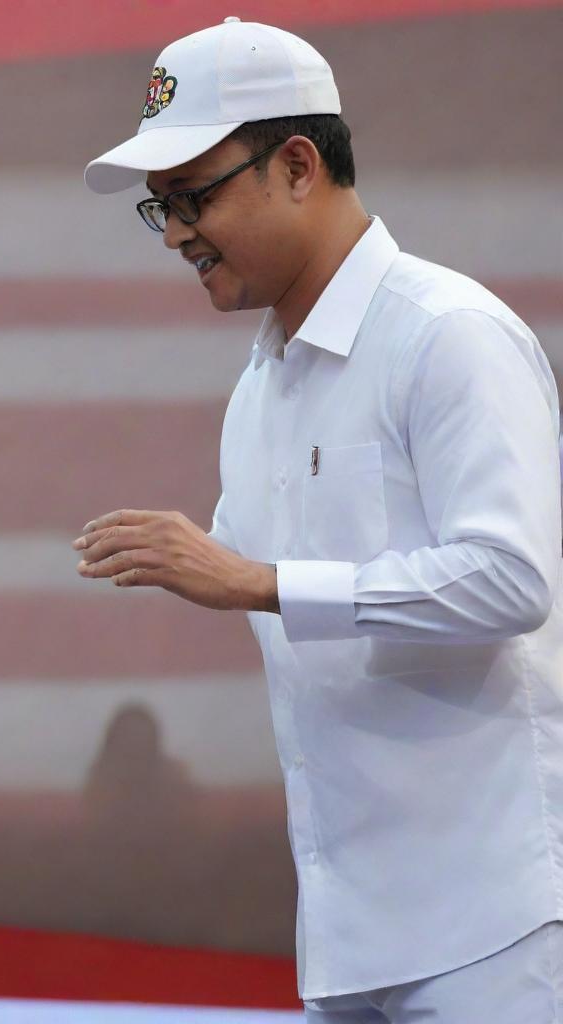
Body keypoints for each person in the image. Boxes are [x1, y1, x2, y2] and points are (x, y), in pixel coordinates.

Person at [76, 18, 563, 1023]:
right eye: (157, 207)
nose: (173, 233)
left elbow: (513, 578)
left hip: (496, 919)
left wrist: (258, 580)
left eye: (192, 196)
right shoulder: (259, 386)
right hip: (344, 934)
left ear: (297, 164)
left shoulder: (446, 335)